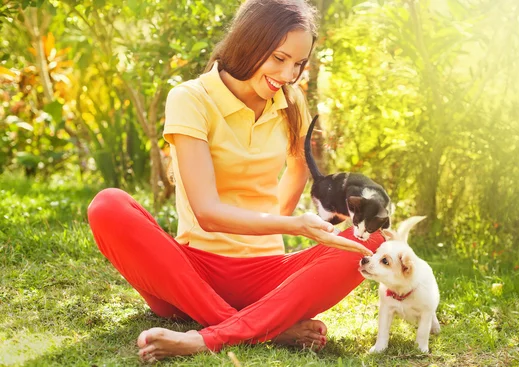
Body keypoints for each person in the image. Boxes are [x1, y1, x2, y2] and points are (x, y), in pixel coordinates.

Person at [87, 0, 385, 362]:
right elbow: (207, 212)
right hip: (190, 276)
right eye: (279, 58)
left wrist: (278, 225)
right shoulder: (191, 98)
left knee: (374, 238)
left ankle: (212, 334)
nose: (289, 74)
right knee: (107, 205)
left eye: (298, 63)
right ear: (249, 42)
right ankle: (256, 327)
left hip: (266, 277)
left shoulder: (291, 103)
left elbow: (297, 168)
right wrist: (294, 225)